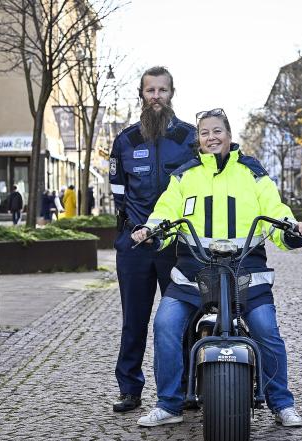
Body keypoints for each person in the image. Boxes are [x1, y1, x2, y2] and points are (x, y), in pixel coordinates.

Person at [131, 107, 302, 428]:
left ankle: (281, 403)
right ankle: (170, 405)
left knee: (266, 330)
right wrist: (151, 231)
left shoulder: (253, 173)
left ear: (229, 135)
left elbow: (275, 210)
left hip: (246, 272)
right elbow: (166, 212)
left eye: (218, 131)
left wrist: (292, 229)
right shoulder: (184, 175)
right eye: (205, 133)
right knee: (165, 324)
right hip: (193, 274)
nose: (211, 137)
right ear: (198, 139)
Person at [109, 66, 197, 413]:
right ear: (141, 94)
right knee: (134, 319)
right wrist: (130, 229)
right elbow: (118, 193)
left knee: (181, 318)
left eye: (162, 90)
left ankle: (187, 388)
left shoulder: (189, 139)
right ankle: (129, 389)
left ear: (172, 93)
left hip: (176, 245)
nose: (156, 96)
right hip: (135, 245)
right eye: (150, 90)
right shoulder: (125, 141)